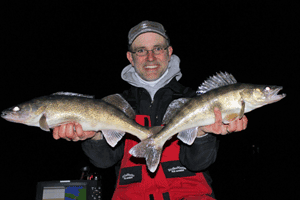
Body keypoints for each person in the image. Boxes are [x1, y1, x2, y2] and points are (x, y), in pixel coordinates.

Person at [53, 20, 248, 200]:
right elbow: (104, 161)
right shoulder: (116, 104)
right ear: (130, 57)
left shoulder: (194, 100)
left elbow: (198, 164)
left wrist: (203, 134)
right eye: (141, 50)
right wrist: (93, 137)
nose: (150, 57)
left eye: (158, 48)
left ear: (169, 52)